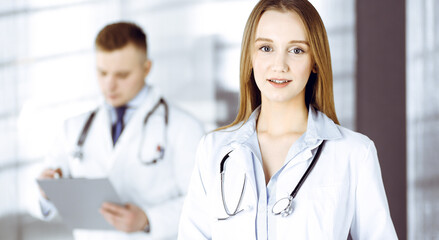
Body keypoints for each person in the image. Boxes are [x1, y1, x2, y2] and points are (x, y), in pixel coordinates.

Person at [178, 0, 398, 239]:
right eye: (266, 48)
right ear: (250, 57)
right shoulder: (213, 151)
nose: (279, 65)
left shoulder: (354, 153)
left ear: (314, 61)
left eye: (296, 50)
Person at [29, 22, 204, 239]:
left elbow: (203, 206)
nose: (109, 85)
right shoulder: (73, 128)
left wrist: (148, 220)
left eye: (122, 75)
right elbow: (37, 203)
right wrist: (45, 193)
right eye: (102, 73)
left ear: (146, 68)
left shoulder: (183, 128)